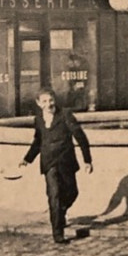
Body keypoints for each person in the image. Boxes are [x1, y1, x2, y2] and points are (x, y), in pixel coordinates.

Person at [20, 87, 92, 244]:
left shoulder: (65, 114)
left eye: (51, 100)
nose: (49, 104)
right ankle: (58, 233)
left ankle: (61, 211)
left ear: (55, 100)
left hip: (66, 161)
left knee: (72, 192)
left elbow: (80, 136)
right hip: (49, 163)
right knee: (54, 195)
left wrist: (87, 160)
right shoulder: (38, 119)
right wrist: (27, 159)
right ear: (39, 104)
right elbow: (38, 141)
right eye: (45, 101)